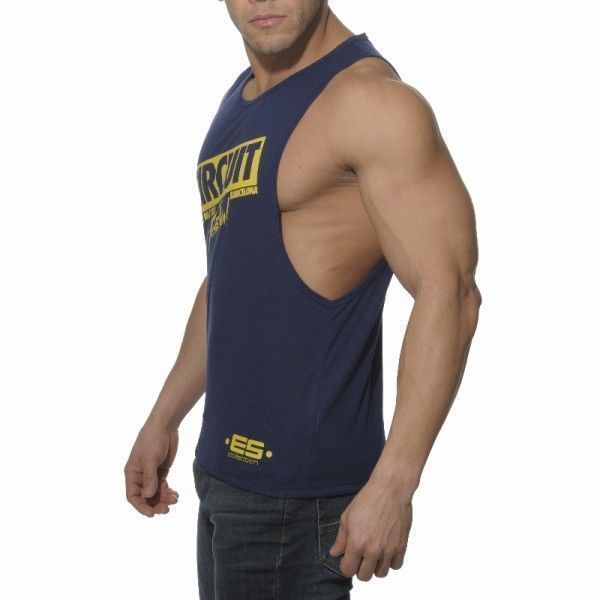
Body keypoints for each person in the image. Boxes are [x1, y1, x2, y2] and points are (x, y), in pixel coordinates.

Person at [124, 1, 482, 598]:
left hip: (297, 501)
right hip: (222, 477)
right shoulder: (244, 95)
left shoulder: (372, 105)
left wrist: (394, 483)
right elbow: (232, 276)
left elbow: (451, 291)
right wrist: (164, 416)